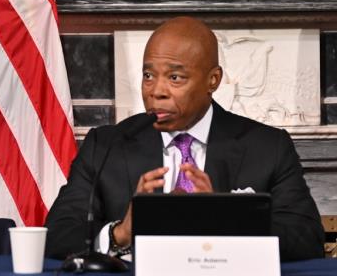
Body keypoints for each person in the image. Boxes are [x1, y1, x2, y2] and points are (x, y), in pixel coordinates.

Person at [45, 16, 324, 262]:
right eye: (148, 75)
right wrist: (121, 233)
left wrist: (226, 219)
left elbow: (306, 238)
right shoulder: (106, 146)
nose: (156, 91)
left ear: (212, 81)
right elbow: (58, 233)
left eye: (175, 77)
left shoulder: (267, 147)